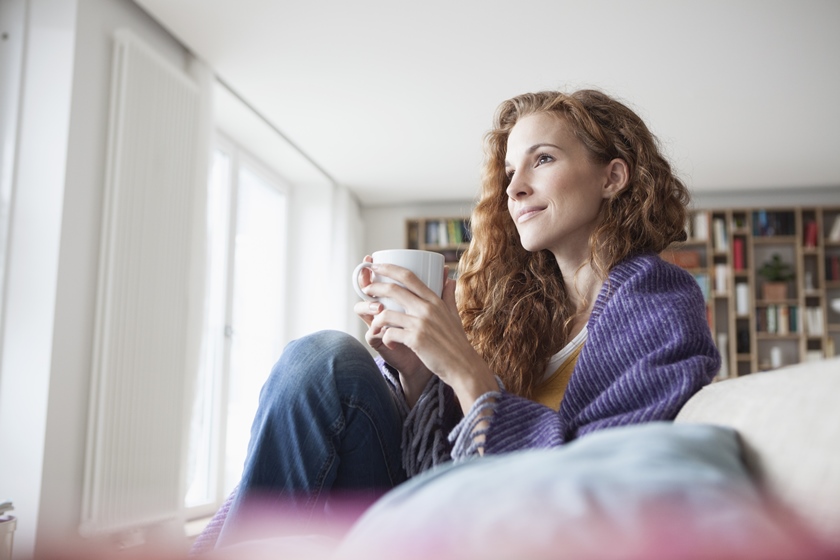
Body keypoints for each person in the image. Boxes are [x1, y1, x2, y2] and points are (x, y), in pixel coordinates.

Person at [198, 89, 720, 552]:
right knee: (324, 358)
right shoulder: (521, 311)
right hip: (444, 506)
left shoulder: (656, 299)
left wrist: (468, 373)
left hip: (506, 533)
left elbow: (602, 483)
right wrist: (420, 373)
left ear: (613, 176)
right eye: (511, 171)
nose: (514, 188)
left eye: (543, 159)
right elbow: (437, 465)